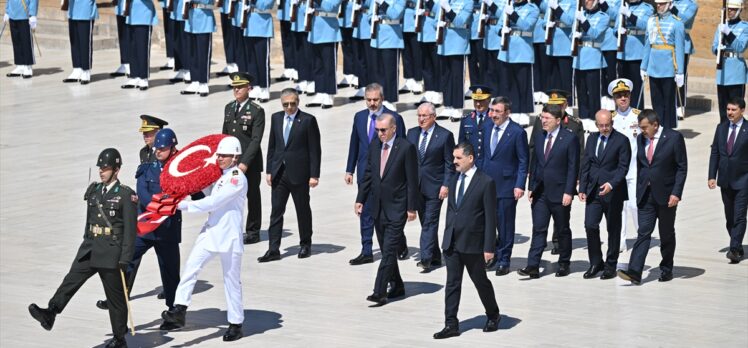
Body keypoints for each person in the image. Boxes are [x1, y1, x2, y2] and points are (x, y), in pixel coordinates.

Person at [29, 148, 136, 348]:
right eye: (100, 168)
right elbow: (89, 222)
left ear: (116, 170)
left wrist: (125, 257)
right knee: (71, 279)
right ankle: (51, 312)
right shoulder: (95, 191)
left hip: (111, 252)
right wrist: (85, 241)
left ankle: (119, 339)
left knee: (115, 299)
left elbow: (131, 230)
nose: (101, 171)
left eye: (105, 168)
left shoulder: (125, 196)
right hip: (90, 247)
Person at [95, 129, 183, 331]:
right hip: (145, 228)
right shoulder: (146, 169)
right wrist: (160, 205)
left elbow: (186, 194)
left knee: (170, 272)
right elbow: (143, 194)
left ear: (172, 148)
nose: (159, 151)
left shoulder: (179, 171)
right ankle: (118, 308)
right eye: (157, 148)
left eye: (163, 148)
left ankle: (174, 312)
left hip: (167, 230)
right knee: (125, 263)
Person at [161, 136, 247, 342]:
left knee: (231, 280)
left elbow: (213, 202)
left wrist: (180, 205)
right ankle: (179, 309)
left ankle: (236, 323)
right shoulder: (220, 176)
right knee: (191, 267)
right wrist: (186, 182)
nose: (219, 159)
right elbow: (206, 190)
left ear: (235, 157)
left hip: (229, 236)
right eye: (218, 155)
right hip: (211, 232)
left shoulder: (236, 178)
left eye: (224, 156)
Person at [433, 142, 500, 339]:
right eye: (454, 158)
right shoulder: (454, 179)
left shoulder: (485, 182)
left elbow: (490, 217)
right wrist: (446, 237)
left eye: (458, 158)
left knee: (480, 281)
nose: (454, 162)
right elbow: (452, 210)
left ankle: (493, 314)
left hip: (473, 244)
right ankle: (450, 324)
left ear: (470, 158)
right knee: (452, 283)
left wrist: (489, 247)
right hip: (453, 242)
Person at [355, 113, 419, 306]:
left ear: (393, 129)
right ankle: (397, 285)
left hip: (397, 208)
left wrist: (411, 208)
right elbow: (368, 175)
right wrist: (360, 199)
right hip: (377, 207)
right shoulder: (375, 146)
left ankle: (379, 291)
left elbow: (412, 181)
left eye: (383, 130)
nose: (380, 134)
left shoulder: (406, 148)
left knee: (389, 250)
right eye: (377, 130)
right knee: (386, 249)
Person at [618, 109, 687, 284]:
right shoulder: (641, 138)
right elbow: (642, 165)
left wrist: (676, 193)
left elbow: (681, 168)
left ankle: (666, 268)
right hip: (646, 195)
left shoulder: (673, 138)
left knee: (666, 234)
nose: (642, 131)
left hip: (666, 195)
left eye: (645, 127)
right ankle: (635, 271)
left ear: (655, 125)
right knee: (643, 233)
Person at [345, 83, 408, 265]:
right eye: (369, 100)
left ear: (382, 98)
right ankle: (366, 250)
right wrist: (350, 169)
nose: (372, 103)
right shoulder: (359, 117)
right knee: (365, 211)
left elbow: (402, 147)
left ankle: (399, 244)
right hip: (365, 174)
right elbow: (354, 145)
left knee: (389, 213)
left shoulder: (394, 117)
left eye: (376, 100)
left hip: (388, 176)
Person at [259, 88, 322, 262]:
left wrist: (314, 175)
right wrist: (269, 170)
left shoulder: (308, 120)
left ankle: (305, 244)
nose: (289, 107)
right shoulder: (276, 118)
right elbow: (272, 146)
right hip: (279, 173)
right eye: (285, 104)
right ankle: (273, 249)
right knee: (276, 212)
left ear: (298, 102)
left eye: (292, 104)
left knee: (302, 210)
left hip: (300, 174)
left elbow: (315, 150)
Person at [519, 104, 579, 278]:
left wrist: (569, 191)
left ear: (558, 120)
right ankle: (533, 265)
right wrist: (531, 186)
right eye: (542, 117)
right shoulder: (539, 137)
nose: (543, 121)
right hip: (540, 192)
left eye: (547, 118)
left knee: (562, 229)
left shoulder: (569, 138)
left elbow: (572, 167)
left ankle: (564, 263)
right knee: (538, 229)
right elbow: (535, 163)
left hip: (560, 192)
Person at [578, 110, 630, 279]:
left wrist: (611, 184)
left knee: (613, 229)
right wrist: (582, 188)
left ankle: (611, 264)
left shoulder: (622, 141)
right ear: (596, 125)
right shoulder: (592, 139)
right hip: (593, 191)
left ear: (612, 123)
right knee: (590, 225)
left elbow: (623, 167)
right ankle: (595, 262)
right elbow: (586, 164)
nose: (605, 128)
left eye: (607, 125)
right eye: (601, 125)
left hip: (613, 193)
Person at [481, 96, 529, 275]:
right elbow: (484, 155)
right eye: (492, 111)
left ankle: (503, 260)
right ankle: (490, 255)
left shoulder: (517, 132)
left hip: (507, 186)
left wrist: (519, 184)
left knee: (505, 225)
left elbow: (523, 160)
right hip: (486, 184)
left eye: (497, 111)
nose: (493, 114)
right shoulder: (486, 127)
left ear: (507, 113)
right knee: (487, 224)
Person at [407, 102, 455, 272]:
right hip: (417, 187)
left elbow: (450, 164)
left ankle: (425, 257)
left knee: (430, 222)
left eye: (424, 116)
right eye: (419, 116)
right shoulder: (411, 134)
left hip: (436, 187)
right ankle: (435, 256)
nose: (421, 119)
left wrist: (446, 185)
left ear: (433, 117)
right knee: (424, 221)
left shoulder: (444, 136)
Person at [223, 72, 265, 245]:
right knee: (229, 197)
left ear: (249, 88)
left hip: (250, 163)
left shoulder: (256, 111)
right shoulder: (229, 108)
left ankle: (253, 231)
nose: (237, 90)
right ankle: (231, 228)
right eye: (234, 87)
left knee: (252, 196)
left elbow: (256, 140)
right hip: (231, 162)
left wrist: (244, 162)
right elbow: (225, 135)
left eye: (240, 87)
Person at [708, 97, 748, 264]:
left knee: (739, 216)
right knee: (729, 217)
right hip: (725, 180)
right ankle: (737, 247)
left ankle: (733, 248)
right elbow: (715, 152)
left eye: (734, 110)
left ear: (742, 110)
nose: (730, 113)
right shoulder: (722, 127)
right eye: (728, 109)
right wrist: (711, 175)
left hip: (744, 180)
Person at [640, 0, 684, 129]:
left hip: (668, 67)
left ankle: (668, 129)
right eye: (658, 3)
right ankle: (657, 128)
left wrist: (680, 71)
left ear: (669, 4)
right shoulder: (651, 20)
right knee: (656, 101)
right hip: (653, 67)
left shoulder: (677, 23)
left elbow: (679, 49)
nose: (659, 6)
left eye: (662, 3)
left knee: (668, 102)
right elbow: (648, 45)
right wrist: (644, 66)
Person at [609, 78, 640, 253]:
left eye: (625, 95)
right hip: (616, 171)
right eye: (619, 95)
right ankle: (620, 241)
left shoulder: (638, 115)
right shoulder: (610, 119)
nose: (623, 98)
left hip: (635, 169)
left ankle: (642, 235)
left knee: (635, 206)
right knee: (618, 208)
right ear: (614, 98)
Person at [497, 0, 540, 125]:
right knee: (509, 85)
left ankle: (525, 112)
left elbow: (527, 26)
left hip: (523, 51)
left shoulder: (533, 9)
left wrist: (514, 15)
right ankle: (513, 111)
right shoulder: (508, 7)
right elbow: (498, 27)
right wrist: (501, 31)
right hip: (507, 52)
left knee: (523, 85)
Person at [571, 0, 609, 120]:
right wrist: (575, 35)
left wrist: (583, 21)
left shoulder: (603, 17)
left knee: (594, 93)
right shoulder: (580, 15)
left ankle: (594, 118)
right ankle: (583, 118)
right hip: (579, 58)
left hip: (593, 57)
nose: (587, 2)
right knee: (581, 92)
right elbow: (571, 36)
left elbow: (595, 34)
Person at [436, 0, 473, 119]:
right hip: (444, 43)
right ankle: (448, 106)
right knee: (445, 76)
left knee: (457, 77)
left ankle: (458, 107)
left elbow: (460, 22)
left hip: (458, 43)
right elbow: (435, 20)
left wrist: (448, 9)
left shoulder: (468, 2)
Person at [712, 0, 747, 124]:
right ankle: (723, 138)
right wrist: (718, 49)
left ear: (739, 10)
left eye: (733, 9)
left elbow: (740, 47)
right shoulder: (721, 25)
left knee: (736, 108)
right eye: (729, 9)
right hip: (722, 71)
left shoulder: (745, 27)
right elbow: (714, 46)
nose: (730, 12)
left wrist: (728, 33)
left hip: (736, 72)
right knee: (723, 110)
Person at [304, 0, 343, 108]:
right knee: (317, 65)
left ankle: (329, 94)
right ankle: (320, 92)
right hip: (315, 29)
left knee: (329, 65)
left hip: (329, 30)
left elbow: (331, 6)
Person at [614, 0, 653, 110]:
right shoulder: (623, 6)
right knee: (622, 88)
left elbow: (645, 25)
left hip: (637, 53)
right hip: (623, 53)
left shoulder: (647, 8)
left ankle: (638, 113)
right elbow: (615, 28)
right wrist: (618, 32)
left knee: (636, 88)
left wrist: (630, 15)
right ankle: (623, 112)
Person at [369, 0, 405, 109]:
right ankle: (379, 99)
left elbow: (396, 14)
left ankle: (391, 99)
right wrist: (372, 18)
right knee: (378, 72)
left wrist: (383, 3)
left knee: (390, 73)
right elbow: (370, 14)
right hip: (377, 37)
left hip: (391, 37)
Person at [120, 0, 159, 90]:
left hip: (143, 15)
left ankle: (143, 77)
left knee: (142, 48)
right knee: (132, 48)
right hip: (131, 15)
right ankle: (135, 76)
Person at [180, 0, 216, 97]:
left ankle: (203, 82)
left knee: (203, 53)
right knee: (192, 53)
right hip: (191, 18)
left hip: (204, 17)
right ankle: (195, 81)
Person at [669, 0, 697, 120]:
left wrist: (671, 8)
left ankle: (680, 106)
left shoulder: (691, 4)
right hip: (667, 43)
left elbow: (684, 20)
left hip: (683, 43)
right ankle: (669, 104)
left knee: (681, 75)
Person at [242, 0, 275, 102]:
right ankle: (255, 85)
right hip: (250, 24)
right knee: (251, 60)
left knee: (262, 60)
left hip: (263, 25)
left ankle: (264, 88)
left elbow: (266, 4)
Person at [544, 0, 575, 103]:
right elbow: (545, 20)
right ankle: (555, 102)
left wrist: (557, 8)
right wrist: (547, 24)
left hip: (565, 46)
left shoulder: (573, 2)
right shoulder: (552, 2)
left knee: (566, 80)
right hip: (552, 46)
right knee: (553, 79)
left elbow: (570, 21)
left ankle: (569, 104)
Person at [61, 0, 98, 84]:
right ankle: (77, 68)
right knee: (74, 41)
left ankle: (86, 70)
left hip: (85, 9)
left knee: (85, 42)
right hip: (72, 10)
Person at [457, 86, 491, 165]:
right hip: (472, 165)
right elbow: (462, 145)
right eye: (475, 100)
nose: (478, 104)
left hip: (489, 165)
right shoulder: (466, 120)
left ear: (489, 99)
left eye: (481, 100)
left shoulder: (494, 119)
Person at [3, 0, 37, 78]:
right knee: (16, 42)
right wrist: (7, 11)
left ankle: (28, 66)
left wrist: (33, 14)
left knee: (26, 42)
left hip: (24, 15)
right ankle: (20, 65)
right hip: (12, 15)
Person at [110, 0, 130, 78]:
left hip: (130, 7)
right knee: (122, 36)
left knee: (129, 36)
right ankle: (124, 64)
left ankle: (131, 64)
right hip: (120, 5)